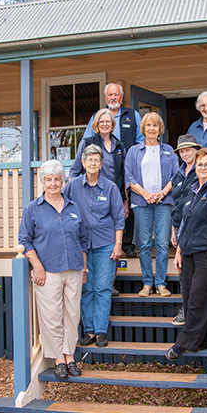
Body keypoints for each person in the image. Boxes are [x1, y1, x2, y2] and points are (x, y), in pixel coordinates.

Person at [18, 160, 88, 379]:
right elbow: (25, 241)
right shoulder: (33, 208)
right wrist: (37, 267)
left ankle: (70, 356)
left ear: (62, 181)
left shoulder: (73, 207)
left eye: (57, 179)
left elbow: (83, 240)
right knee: (51, 315)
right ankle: (58, 359)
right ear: (43, 182)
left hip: (74, 268)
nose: (53, 183)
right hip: (48, 270)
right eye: (49, 179)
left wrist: (84, 269)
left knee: (72, 314)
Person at [166, 148, 207, 361]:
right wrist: (178, 252)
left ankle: (182, 342)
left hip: (206, 251)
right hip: (188, 251)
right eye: (199, 164)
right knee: (188, 297)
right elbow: (185, 223)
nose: (202, 168)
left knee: (197, 297)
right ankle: (202, 341)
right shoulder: (193, 189)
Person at [64, 144, 125, 348]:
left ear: (101, 164)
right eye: (88, 159)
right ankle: (88, 330)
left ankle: (100, 331)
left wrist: (118, 244)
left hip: (105, 244)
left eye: (96, 160)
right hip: (80, 246)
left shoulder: (110, 187)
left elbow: (118, 218)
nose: (92, 163)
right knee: (86, 287)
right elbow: (59, 206)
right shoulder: (72, 186)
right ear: (82, 163)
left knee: (103, 287)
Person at [83, 83, 144, 258]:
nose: (113, 98)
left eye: (116, 94)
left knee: (127, 207)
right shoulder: (98, 116)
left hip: (127, 166)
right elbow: (87, 141)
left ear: (121, 96)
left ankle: (127, 244)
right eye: (110, 95)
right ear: (105, 97)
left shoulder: (132, 115)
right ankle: (108, 242)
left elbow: (140, 140)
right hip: (100, 172)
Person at [125, 112, 179, 297]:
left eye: (155, 125)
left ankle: (161, 284)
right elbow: (129, 177)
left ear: (160, 129)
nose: (151, 128)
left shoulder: (169, 151)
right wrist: (146, 194)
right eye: (148, 125)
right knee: (145, 244)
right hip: (142, 201)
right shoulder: (134, 151)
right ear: (143, 128)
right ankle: (147, 283)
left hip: (164, 201)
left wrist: (163, 193)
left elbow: (176, 176)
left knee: (163, 244)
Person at [169, 134, 202, 326]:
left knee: (197, 272)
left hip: (197, 228)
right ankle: (186, 308)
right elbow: (176, 204)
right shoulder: (178, 175)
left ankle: (195, 311)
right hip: (180, 228)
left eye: (188, 150)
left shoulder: (202, 171)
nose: (185, 154)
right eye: (182, 151)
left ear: (196, 150)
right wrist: (174, 229)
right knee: (183, 272)